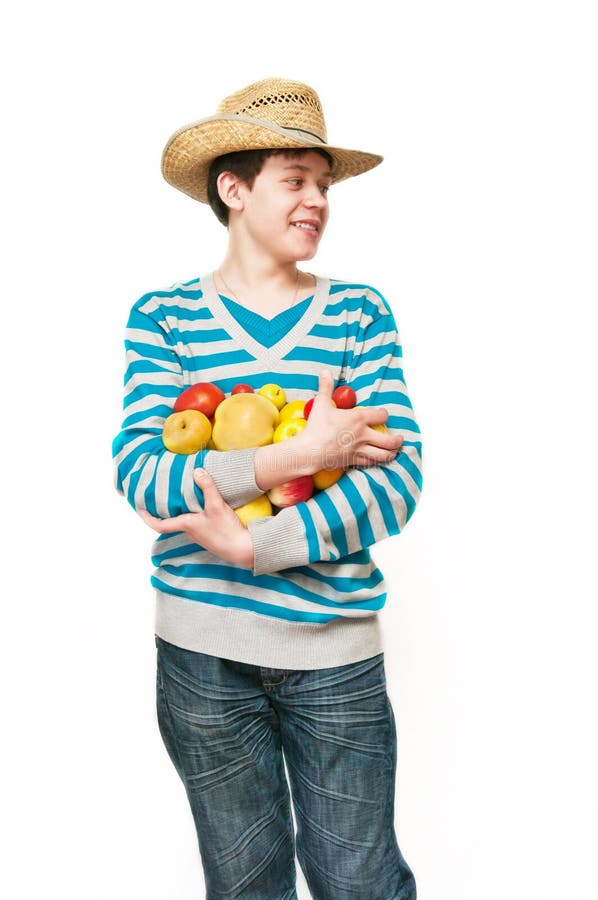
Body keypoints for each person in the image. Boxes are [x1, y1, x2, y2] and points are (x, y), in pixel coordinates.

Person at [112, 77, 422, 900]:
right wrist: (307, 454)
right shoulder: (166, 318)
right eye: (295, 178)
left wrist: (257, 543)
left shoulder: (359, 315)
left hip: (335, 654)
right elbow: (145, 477)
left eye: (324, 184)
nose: (317, 200)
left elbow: (399, 485)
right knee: (245, 887)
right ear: (235, 188)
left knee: (361, 883)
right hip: (202, 657)